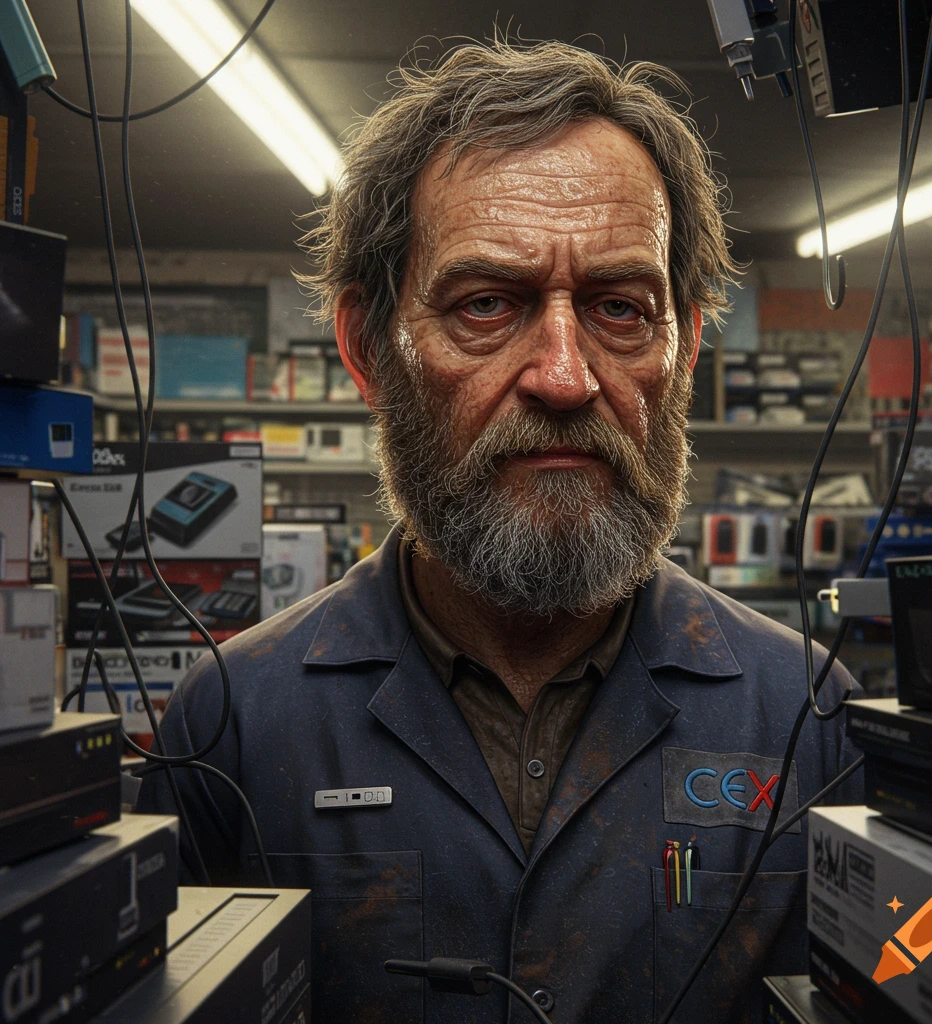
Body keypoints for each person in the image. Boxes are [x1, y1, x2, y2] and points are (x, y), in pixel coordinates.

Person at [139, 39, 862, 1024]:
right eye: (487, 305)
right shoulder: (229, 722)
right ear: (366, 347)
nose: (564, 376)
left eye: (619, 308)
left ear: (685, 347)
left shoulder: (807, 718)